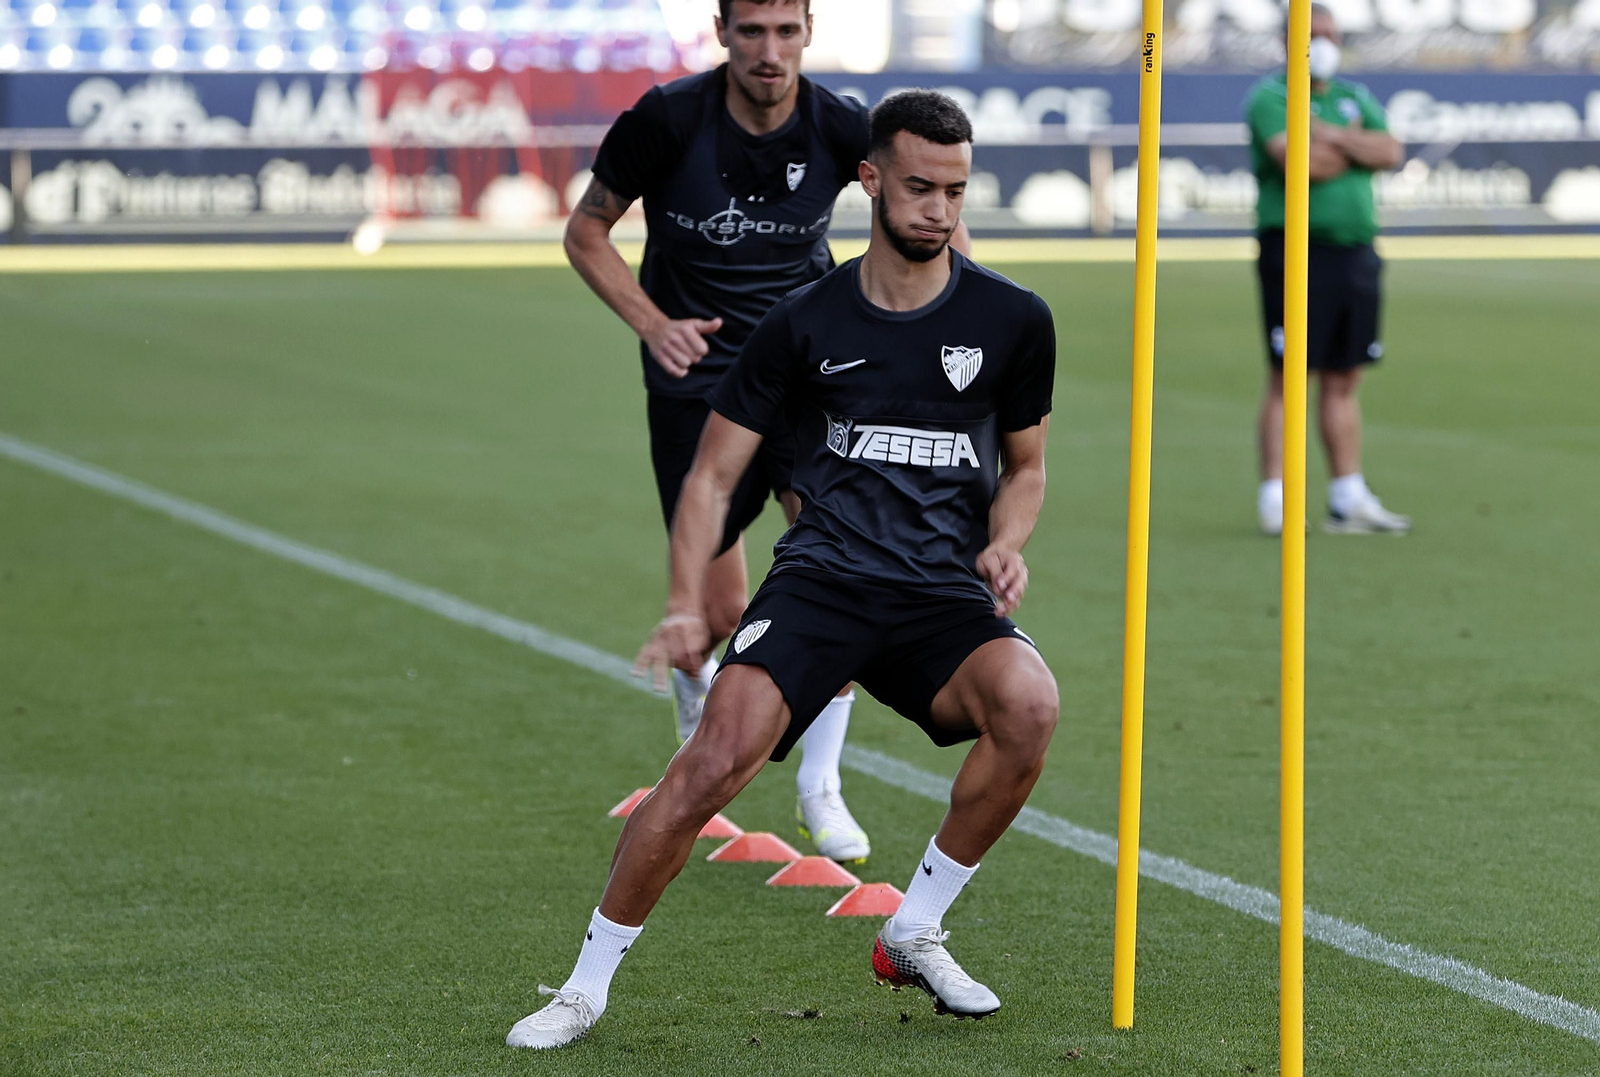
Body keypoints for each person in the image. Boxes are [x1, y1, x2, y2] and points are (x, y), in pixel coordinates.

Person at [509, 90, 1059, 1050]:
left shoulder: (1012, 317)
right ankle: (582, 989)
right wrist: (686, 604)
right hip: (823, 585)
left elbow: (1030, 467)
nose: (939, 210)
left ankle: (916, 925)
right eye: (921, 188)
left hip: (940, 594)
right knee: (708, 766)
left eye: (957, 191)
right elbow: (713, 474)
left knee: (1031, 704)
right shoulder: (804, 323)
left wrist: (1005, 541)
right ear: (872, 180)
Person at [564, 0, 967, 862]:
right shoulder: (667, 119)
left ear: (811, 32)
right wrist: (651, 322)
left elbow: (930, 218)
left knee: (843, 566)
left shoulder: (839, 128)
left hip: (808, 379)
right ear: (722, 33)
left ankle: (821, 784)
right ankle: (696, 728)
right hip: (697, 385)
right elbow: (587, 230)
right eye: (753, 31)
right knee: (713, 615)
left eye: (787, 31)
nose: (770, 51)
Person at [1246, 3, 1410, 536]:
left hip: (1356, 252)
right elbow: (1302, 162)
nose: (1325, 42)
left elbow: (1388, 150)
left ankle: (1348, 494)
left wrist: (1330, 135)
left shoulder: (1353, 96)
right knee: (1288, 376)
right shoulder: (1272, 97)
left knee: (1345, 375)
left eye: (1331, 34)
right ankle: (1276, 496)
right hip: (1296, 252)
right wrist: (1346, 141)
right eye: (1313, 34)